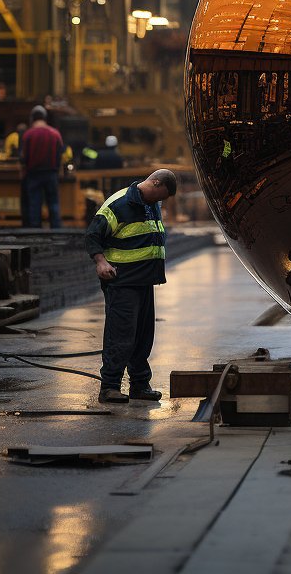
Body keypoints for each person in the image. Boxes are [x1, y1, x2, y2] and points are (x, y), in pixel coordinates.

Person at [83, 168, 177, 404]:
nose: (160, 202)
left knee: (143, 336)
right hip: (122, 281)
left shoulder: (150, 204)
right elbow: (92, 236)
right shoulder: (119, 204)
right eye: (160, 196)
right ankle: (109, 387)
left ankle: (139, 385)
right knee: (121, 335)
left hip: (144, 281)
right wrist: (101, 262)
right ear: (154, 182)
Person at [19, 106, 64, 228]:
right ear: (45, 118)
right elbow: (60, 154)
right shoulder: (55, 134)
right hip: (51, 174)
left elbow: (23, 157)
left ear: (32, 118)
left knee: (35, 204)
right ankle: (57, 231)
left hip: (33, 175)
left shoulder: (28, 135)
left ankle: (35, 232)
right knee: (53, 203)